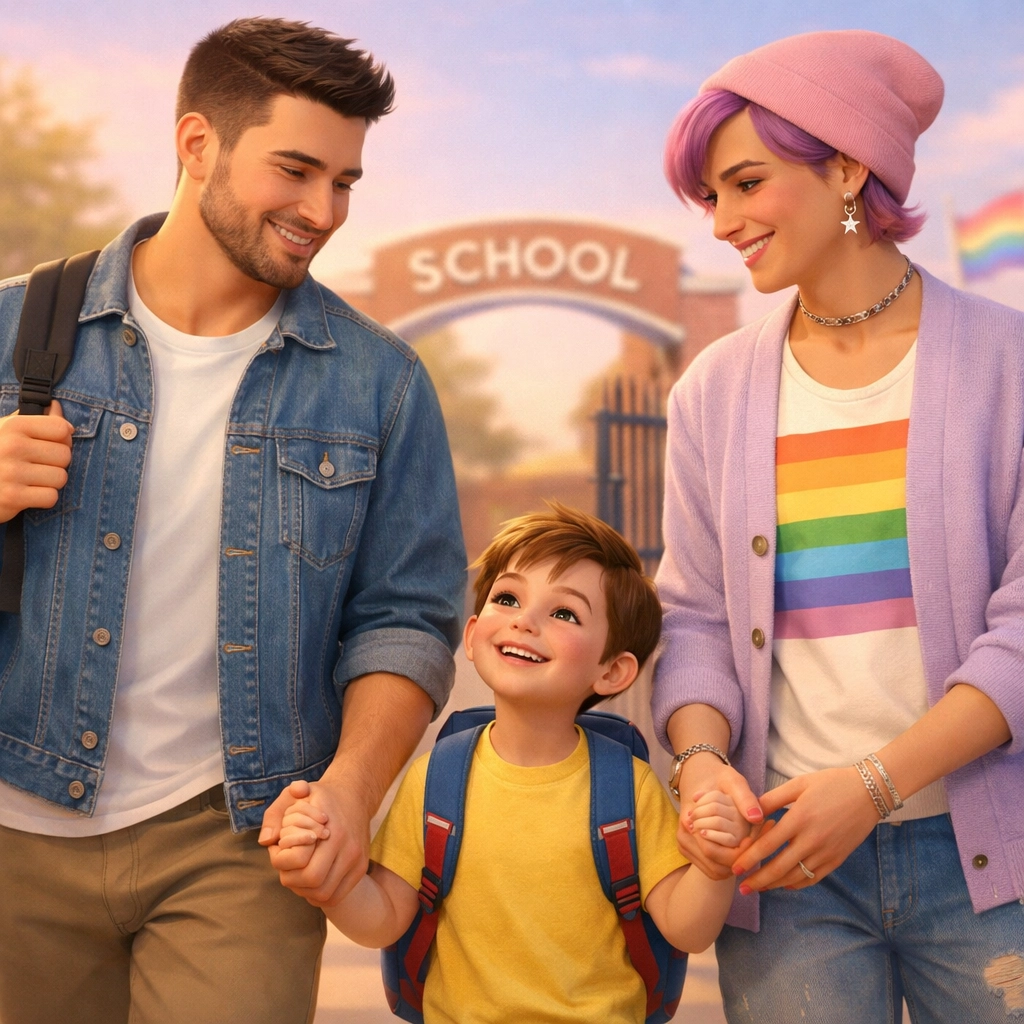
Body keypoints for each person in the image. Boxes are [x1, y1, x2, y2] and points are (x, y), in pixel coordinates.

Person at [0, 17, 465, 1024]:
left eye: (343, 182)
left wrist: (347, 790)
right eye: (296, 170)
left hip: (236, 841)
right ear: (197, 143)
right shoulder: (9, 332)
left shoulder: (380, 383)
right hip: (13, 833)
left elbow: (408, 619)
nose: (321, 210)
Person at [652, 28, 1024, 1024]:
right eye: (710, 197)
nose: (723, 221)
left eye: (743, 182)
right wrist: (698, 766)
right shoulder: (711, 394)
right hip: (785, 870)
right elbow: (689, 618)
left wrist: (871, 786)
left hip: (987, 860)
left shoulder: (1008, 365)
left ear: (848, 166)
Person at [275, 504, 749, 1024]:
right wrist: (330, 879)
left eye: (564, 613)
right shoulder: (437, 778)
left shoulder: (626, 787)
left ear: (612, 671)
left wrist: (712, 866)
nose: (525, 621)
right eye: (508, 598)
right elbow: (383, 920)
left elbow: (686, 929)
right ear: (474, 635)